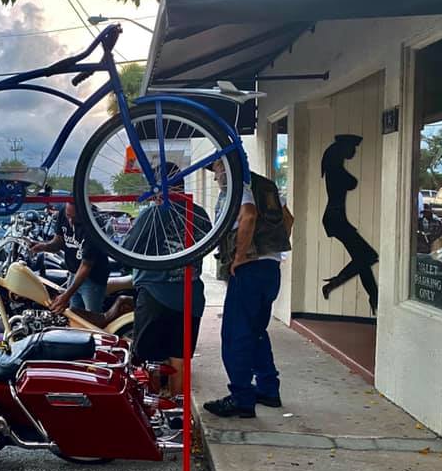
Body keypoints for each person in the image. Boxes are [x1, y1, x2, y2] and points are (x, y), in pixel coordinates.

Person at [204, 163, 293, 418]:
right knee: (256, 332)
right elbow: (288, 219)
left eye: (217, 169)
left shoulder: (239, 187)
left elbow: (249, 215)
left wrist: (241, 255)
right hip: (270, 268)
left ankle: (241, 398)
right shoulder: (266, 185)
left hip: (249, 269)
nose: (216, 177)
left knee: (236, 336)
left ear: (226, 166)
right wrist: (271, 249)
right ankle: (268, 389)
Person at [124, 162, 212, 396]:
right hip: (189, 296)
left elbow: (128, 250)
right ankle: (177, 413)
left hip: (155, 294)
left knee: (151, 359)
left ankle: (154, 414)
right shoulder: (200, 214)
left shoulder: (152, 214)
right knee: (180, 357)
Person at [320, 135, 379, 313]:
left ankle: (372, 295)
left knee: (363, 258)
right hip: (335, 219)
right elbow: (352, 183)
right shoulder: (335, 170)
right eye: (352, 147)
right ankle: (372, 295)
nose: (354, 151)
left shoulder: (333, 168)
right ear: (343, 149)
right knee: (367, 256)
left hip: (336, 218)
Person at [30, 202, 110, 314]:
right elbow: (58, 243)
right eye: (68, 216)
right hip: (73, 274)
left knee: (91, 321)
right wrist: (42, 246)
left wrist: (66, 295)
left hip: (93, 278)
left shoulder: (94, 226)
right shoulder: (65, 211)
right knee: (74, 317)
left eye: (75, 218)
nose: (71, 221)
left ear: (85, 213)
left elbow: (86, 266)